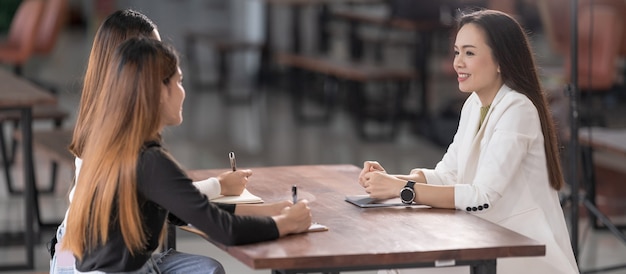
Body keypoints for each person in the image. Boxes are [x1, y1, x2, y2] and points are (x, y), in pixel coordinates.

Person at [50, 9, 291, 273]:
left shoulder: (118, 130)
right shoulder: (139, 153)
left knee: (207, 268)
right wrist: (284, 223)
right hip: (92, 260)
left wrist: (226, 189)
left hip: (104, 256)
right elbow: (208, 220)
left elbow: (169, 200)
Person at [358, 9, 579, 274]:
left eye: (469, 53)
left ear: (501, 61)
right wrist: (391, 180)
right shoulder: (474, 103)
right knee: (389, 257)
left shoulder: (518, 109)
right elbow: (449, 174)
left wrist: (402, 189)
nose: (457, 63)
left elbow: (482, 197)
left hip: (517, 246)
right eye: (456, 52)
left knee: (396, 265)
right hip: (482, 236)